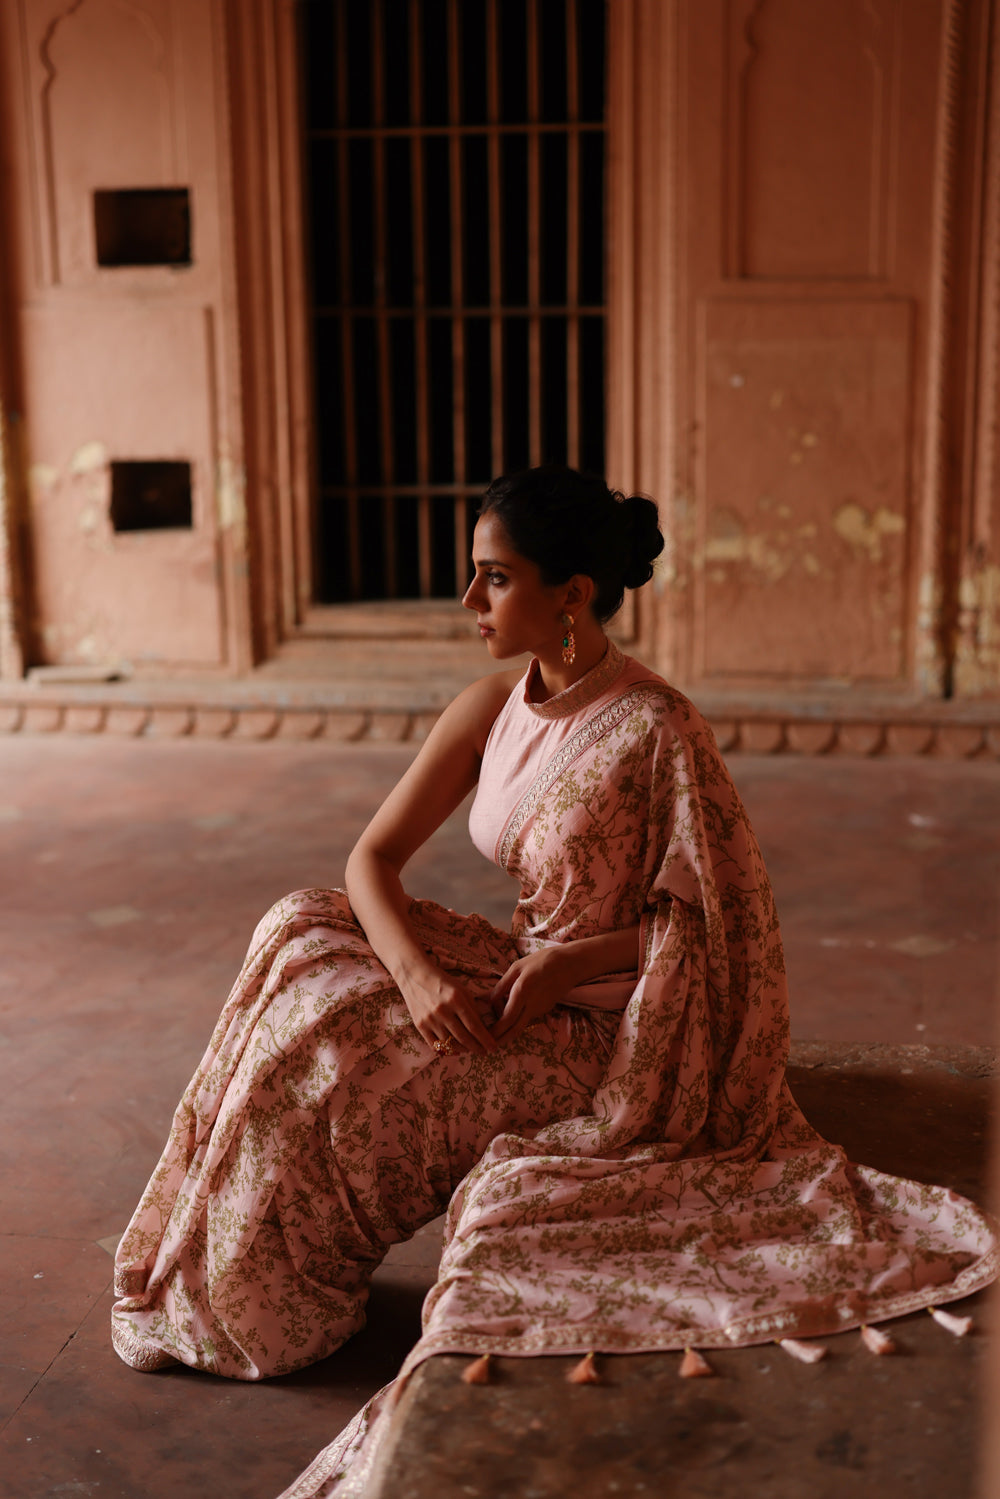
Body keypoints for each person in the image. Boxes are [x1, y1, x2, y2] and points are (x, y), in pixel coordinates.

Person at [112, 468, 996, 1463]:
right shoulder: (493, 705)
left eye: (495, 577)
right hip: (512, 977)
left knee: (357, 1062)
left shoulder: (657, 728)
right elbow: (370, 860)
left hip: (607, 1035)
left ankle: (276, 1311)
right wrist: (417, 974)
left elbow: (728, 922)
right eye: (473, 574)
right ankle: (223, 1279)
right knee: (303, 934)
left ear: (570, 593)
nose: (469, 601)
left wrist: (572, 958)